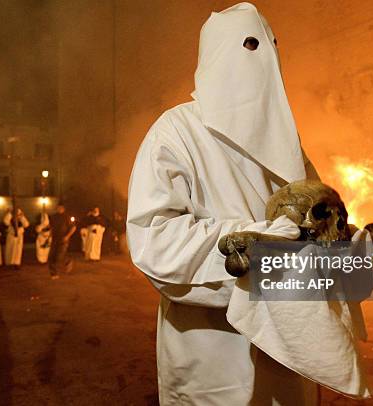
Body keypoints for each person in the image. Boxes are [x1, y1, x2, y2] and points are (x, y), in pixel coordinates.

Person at [127, 3, 324, 404]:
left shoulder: (289, 141)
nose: (263, 56)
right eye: (250, 45)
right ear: (217, 53)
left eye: (270, 45)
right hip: (210, 352)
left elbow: (315, 221)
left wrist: (344, 239)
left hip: (289, 347)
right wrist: (244, 248)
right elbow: (155, 239)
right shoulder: (177, 132)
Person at [48, 203, 76, 279]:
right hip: (54, 239)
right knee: (51, 256)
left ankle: (67, 262)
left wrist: (67, 236)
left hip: (63, 239)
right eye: (58, 208)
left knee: (59, 256)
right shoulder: (53, 217)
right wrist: (49, 236)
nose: (59, 209)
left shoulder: (66, 217)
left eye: (61, 208)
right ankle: (53, 273)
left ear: (63, 209)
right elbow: (51, 227)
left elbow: (73, 228)